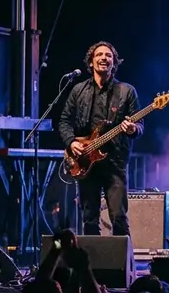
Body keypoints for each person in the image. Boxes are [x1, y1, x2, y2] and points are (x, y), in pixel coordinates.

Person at [58, 41, 143, 236]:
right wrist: (72, 142)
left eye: (108, 55)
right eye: (99, 55)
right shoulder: (78, 90)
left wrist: (131, 129)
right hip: (86, 162)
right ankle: (91, 265)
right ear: (91, 61)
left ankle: (122, 266)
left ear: (114, 62)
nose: (104, 58)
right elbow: (64, 121)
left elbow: (140, 127)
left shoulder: (126, 91)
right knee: (89, 218)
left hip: (115, 163)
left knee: (119, 218)